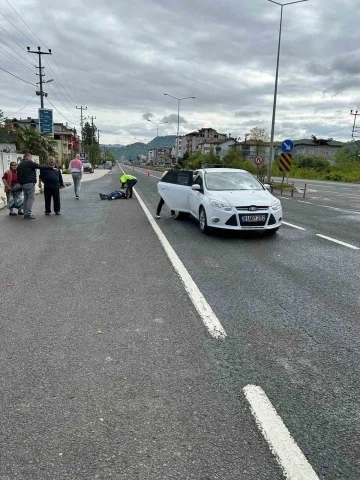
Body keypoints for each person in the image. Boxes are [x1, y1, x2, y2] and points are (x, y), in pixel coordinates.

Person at [17, 152, 55, 219]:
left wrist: (20, 182)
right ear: (28, 157)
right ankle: (28, 214)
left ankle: (25, 212)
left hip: (22, 183)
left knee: (26, 198)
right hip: (29, 183)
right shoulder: (29, 162)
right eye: (31, 157)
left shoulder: (20, 164)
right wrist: (50, 167)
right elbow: (39, 166)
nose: (31, 159)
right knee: (31, 198)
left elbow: (18, 175)